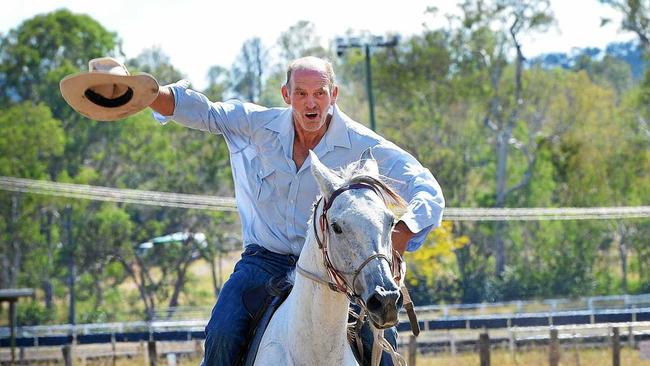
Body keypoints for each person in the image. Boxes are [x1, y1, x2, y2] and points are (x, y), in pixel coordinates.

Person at [149, 56, 444, 365]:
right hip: (263, 262)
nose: (311, 102)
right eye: (301, 93)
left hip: (336, 270)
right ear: (286, 95)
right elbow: (205, 112)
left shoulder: (361, 144)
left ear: (334, 94)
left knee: (381, 345)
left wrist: (404, 231)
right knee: (222, 332)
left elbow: (426, 187)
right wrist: (149, 95)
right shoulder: (256, 126)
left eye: (320, 92)